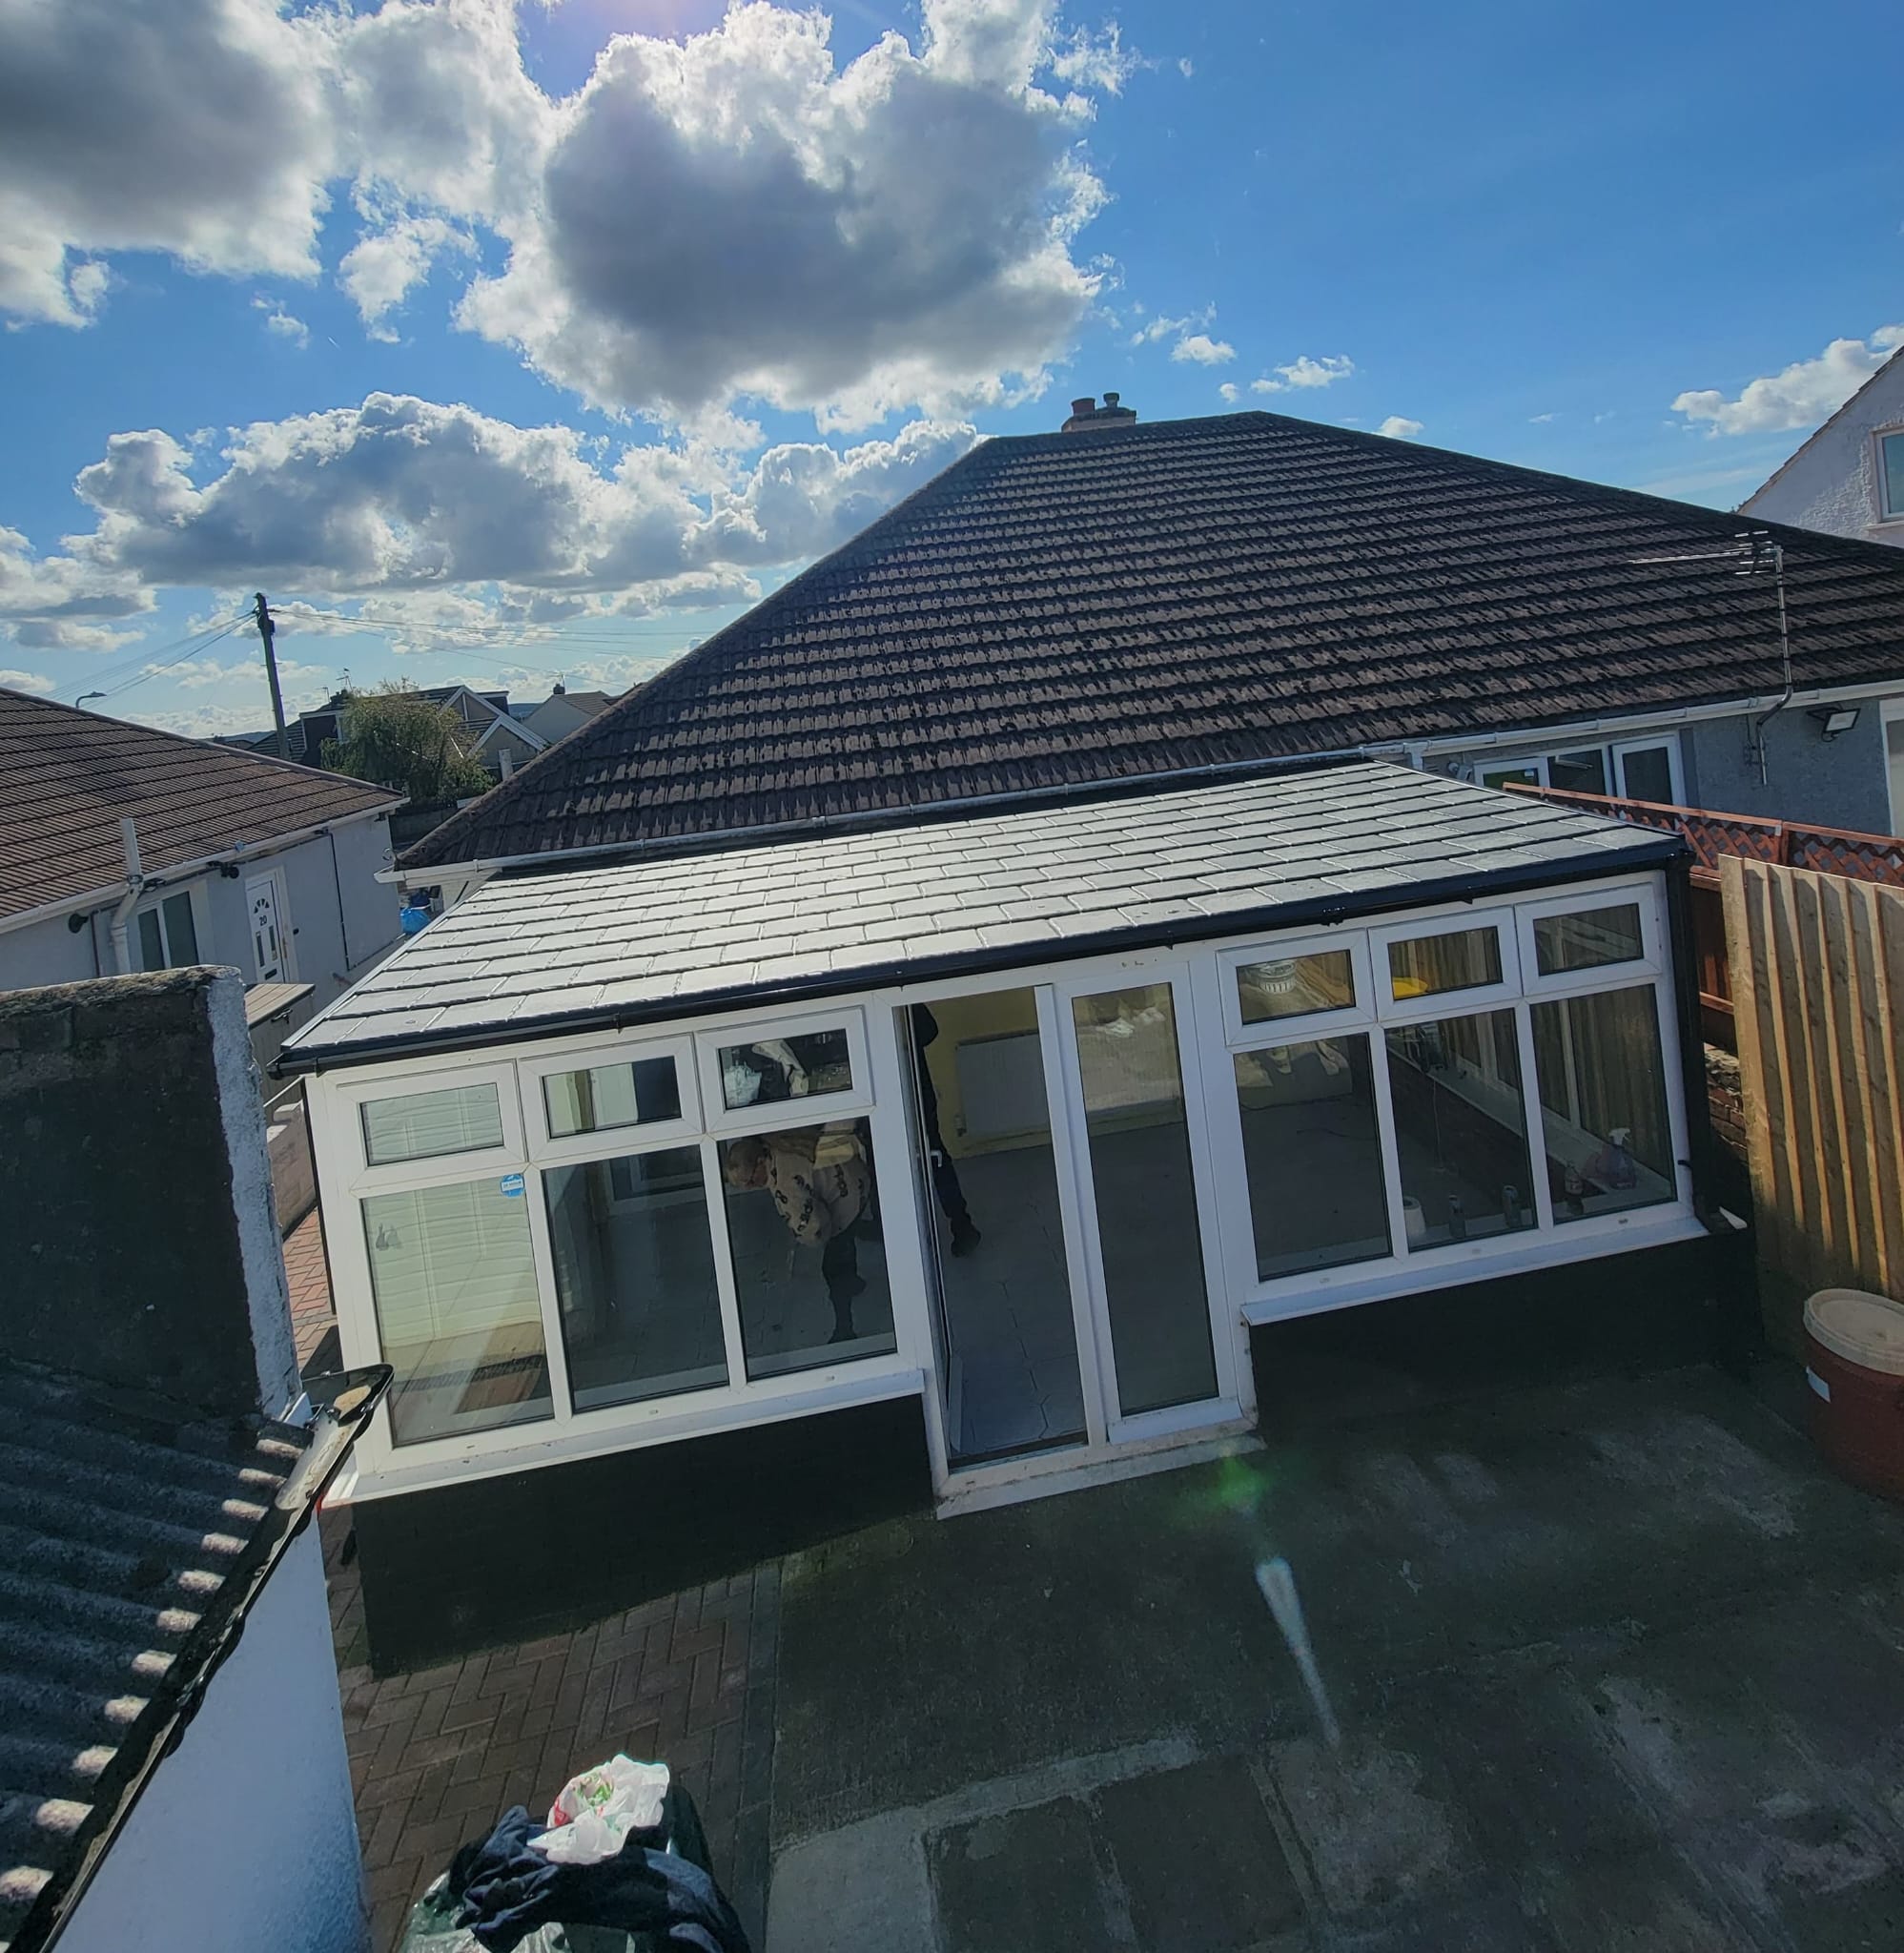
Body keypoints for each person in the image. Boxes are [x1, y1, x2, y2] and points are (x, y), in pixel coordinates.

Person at [724, 1124, 872, 1343]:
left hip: (847, 1201)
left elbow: (814, 1225)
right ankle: (855, 1279)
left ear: (759, 1163)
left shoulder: (784, 1184)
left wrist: (810, 1238)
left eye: (750, 1181)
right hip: (856, 1179)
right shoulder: (779, 1145)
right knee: (847, 1244)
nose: (749, 1188)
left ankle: (844, 1326)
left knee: (834, 1268)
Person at [911, 1005, 981, 1257]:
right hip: (916, 1091)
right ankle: (961, 1224)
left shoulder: (897, 993)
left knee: (934, 1157)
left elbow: (929, 1031)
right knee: (935, 1156)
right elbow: (930, 1032)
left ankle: (961, 1225)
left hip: (913, 1091)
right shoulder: (897, 992)